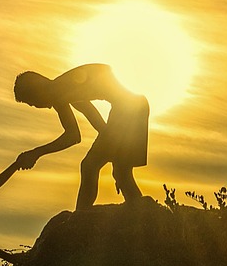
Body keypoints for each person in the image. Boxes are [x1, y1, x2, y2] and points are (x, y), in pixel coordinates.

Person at [13, 62, 150, 209]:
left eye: (33, 103)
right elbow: (94, 118)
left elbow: (73, 136)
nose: (37, 106)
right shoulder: (63, 87)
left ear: (36, 91)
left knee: (90, 166)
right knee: (121, 173)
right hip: (136, 106)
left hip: (128, 111)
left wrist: (36, 153)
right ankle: (140, 214)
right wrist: (114, 154)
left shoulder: (57, 92)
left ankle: (81, 216)